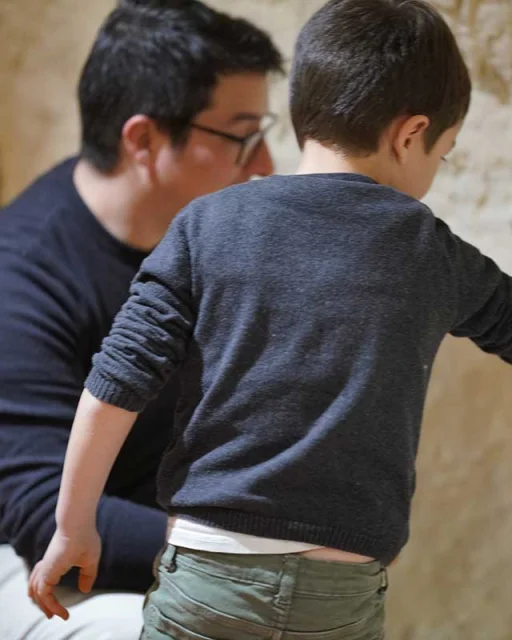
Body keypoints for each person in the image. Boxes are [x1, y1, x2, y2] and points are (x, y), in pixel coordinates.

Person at [28, 0, 512, 638]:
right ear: (411, 135)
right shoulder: (431, 251)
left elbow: (115, 383)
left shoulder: (208, 225)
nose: (437, 166)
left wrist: (74, 526)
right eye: (445, 152)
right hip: (339, 593)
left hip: (209, 578)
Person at [0, 0, 283, 638]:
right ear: (144, 140)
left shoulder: (218, 238)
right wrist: (263, 558)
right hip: (39, 563)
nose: (264, 165)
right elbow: (42, 512)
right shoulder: (21, 277)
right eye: (242, 137)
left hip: (177, 545)